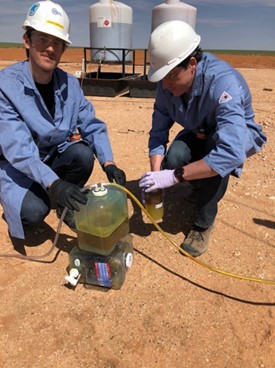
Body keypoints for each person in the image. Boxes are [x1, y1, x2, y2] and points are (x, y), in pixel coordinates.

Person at [0, 0, 126, 240]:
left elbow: (92, 124)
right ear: (27, 40)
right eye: (43, 39)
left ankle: (65, 208)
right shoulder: (6, 87)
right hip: (18, 166)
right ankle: (30, 198)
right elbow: (20, 150)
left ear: (63, 48)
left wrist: (108, 163)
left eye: (57, 42)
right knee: (34, 211)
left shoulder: (69, 85)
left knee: (82, 155)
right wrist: (55, 185)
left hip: (49, 158)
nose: (50, 48)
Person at [139, 20, 266, 257]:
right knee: (176, 155)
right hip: (199, 128)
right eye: (161, 78)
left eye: (171, 77)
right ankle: (200, 185)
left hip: (230, 135)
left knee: (216, 155)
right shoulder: (166, 84)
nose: (165, 85)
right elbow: (158, 133)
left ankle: (202, 224)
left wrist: (175, 176)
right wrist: (157, 175)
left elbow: (229, 152)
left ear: (192, 64)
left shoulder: (223, 83)